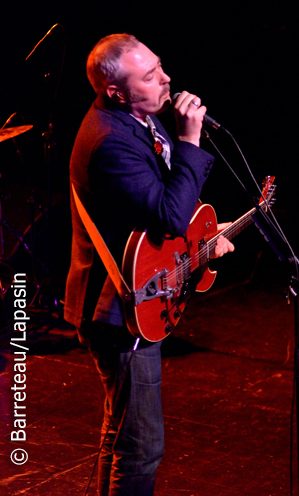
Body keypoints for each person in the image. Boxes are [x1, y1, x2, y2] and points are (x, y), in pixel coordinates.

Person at [64, 33, 234, 495]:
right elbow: (167, 215)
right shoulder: (110, 141)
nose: (166, 79)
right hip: (118, 309)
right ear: (116, 92)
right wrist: (190, 140)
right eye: (150, 76)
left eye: (159, 66)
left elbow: (157, 212)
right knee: (141, 449)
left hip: (137, 293)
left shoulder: (139, 118)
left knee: (122, 437)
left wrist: (202, 237)